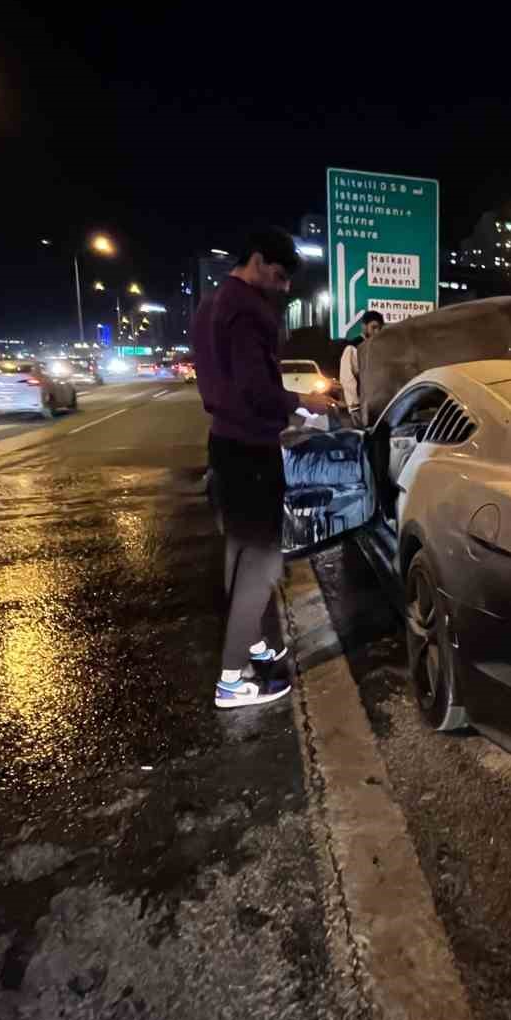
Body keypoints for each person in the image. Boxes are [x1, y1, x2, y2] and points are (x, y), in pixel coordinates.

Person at [193, 226, 330, 709]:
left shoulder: (211, 304)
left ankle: (252, 645)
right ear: (256, 261)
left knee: (240, 553)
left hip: (225, 444)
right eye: (279, 276)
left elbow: (229, 383)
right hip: (251, 450)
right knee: (261, 562)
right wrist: (305, 404)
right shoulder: (248, 310)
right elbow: (256, 390)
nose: (284, 287)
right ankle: (232, 681)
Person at [338, 309, 385, 425]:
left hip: (380, 405)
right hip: (363, 406)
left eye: (380, 328)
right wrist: (354, 407)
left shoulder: (380, 348)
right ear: (364, 327)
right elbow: (347, 378)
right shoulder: (353, 348)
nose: (377, 332)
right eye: (374, 327)